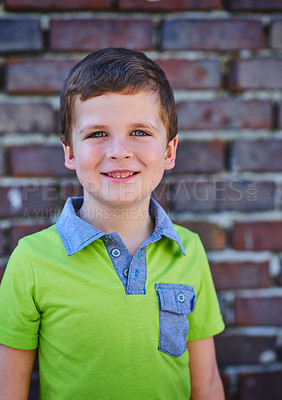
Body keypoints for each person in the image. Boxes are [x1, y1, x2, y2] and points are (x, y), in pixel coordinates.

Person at [0, 48, 225, 400]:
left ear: (169, 150)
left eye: (139, 132)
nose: (119, 151)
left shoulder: (189, 250)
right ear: (70, 152)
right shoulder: (31, 260)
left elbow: (207, 383)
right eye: (97, 134)